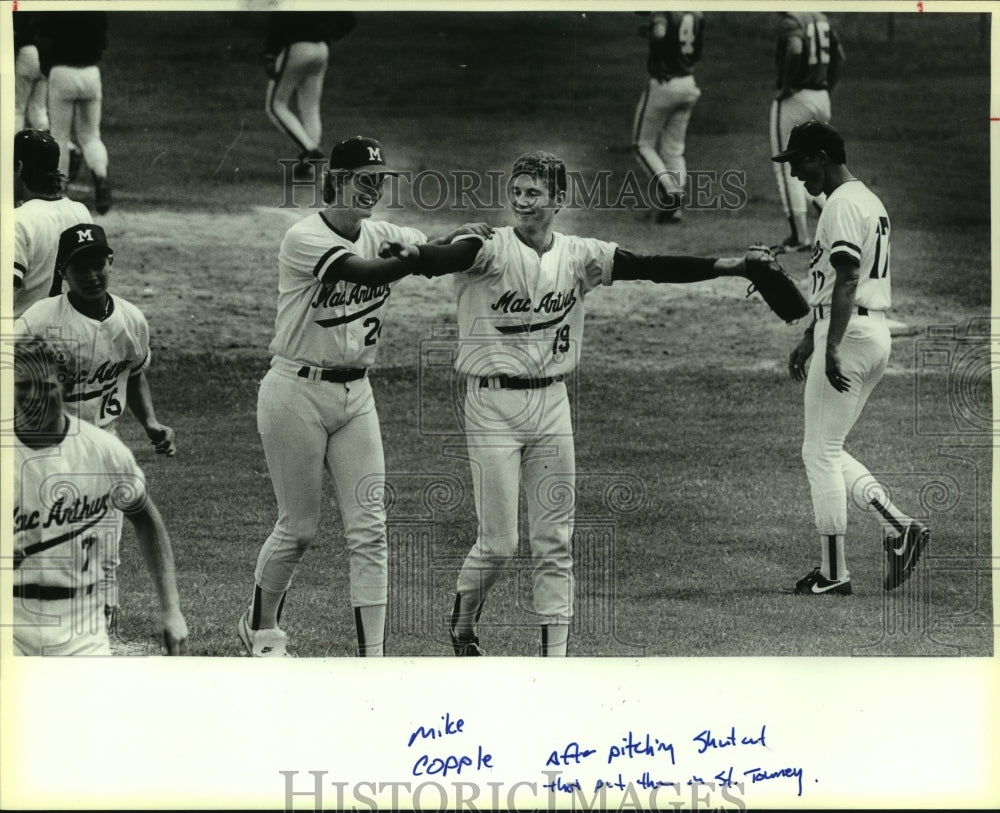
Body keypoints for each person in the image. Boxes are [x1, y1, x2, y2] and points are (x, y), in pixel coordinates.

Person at [380, 150, 780, 656]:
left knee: (555, 538)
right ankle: (462, 621)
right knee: (499, 544)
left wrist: (732, 265)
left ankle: (556, 660)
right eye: (518, 192)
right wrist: (416, 257)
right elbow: (447, 259)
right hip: (491, 407)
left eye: (534, 194)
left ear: (559, 200)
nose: (523, 203)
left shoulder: (579, 255)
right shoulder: (487, 246)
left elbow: (651, 267)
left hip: (552, 404)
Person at [240, 136, 485, 658]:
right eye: (362, 180)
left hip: (357, 396)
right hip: (294, 393)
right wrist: (417, 259)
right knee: (300, 527)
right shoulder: (302, 237)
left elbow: (436, 252)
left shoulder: (385, 233)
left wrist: (462, 239)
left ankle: (372, 658)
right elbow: (366, 271)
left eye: (379, 180)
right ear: (334, 183)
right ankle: (261, 628)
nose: (372, 188)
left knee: (371, 529)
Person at [774, 121, 929, 596]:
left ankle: (834, 572)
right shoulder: (866, 200)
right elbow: (836, 285)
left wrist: (831, 343)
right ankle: (898, 527)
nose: (797, 174)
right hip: (871, 332)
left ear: (821, 156)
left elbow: (846, 279)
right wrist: (812, 334)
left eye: (799, 162)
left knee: (817, 452)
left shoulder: (840, 205)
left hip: (852, 333)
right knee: (830, 446)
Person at [16, 223, 176, 635]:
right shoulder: (39, 320)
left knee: (105, 549)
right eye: (79, 267)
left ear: (110, 263)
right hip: (44, 451)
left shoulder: (131, 320)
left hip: (104, 443)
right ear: (63, 273)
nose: (91, 274)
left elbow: (135, 372)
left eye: (98, 264)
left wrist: (151, 422)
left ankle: (100, 627)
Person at [11, 335, 188, 656]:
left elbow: (146, 520)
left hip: (82, 620)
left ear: (65, 386)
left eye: (46, 385)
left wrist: (171, 610)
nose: (34, 397)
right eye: (23, 385)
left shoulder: (102, 451)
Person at [769, 11, 844, 252]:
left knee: (786, 165)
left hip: (797, 96)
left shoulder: (792, 20)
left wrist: (788, 84)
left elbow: (795, 48)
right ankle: (835, 222)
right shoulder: (821, 17)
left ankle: (800, 235)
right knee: (816, 163)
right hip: (821, 96)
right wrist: (826, 87)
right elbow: (839, 56)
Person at [263, 11, 357, 180]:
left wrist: (270, 53)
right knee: (311, 108)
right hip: (321, 48)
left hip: (297, 47)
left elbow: (278, 19)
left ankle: (309, 150)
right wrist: (329, 34)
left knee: (276, 105)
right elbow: (349, 18)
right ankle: (310, 167)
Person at [631, 11, 705, 224]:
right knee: (674, 149)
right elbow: (696, 51)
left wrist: (653, 33)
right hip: (688, 82)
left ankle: (670, 192)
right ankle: (674, 209)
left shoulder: (665, 9)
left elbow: (660, 31)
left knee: (641, 145)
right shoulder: (698, 12)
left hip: (665, 83)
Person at [37, 10, 112, 214]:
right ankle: (101, 176)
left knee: (60, 136)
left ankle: (59, 192)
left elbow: (43, 39)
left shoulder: (57, 10)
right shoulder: (94, 10)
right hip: (90, 73)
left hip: (62, 72)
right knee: (90, 136)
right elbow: (104, 42)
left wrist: (47, 67)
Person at [13, 129, 92, 316]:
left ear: (19, 167)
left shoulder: (19, 220)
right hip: (70, 334)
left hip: (23, 337)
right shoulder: (81, 213)